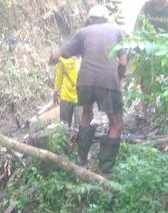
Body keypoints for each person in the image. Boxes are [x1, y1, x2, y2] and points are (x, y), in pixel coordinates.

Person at [49, 5, 128, 176]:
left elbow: (56, 55)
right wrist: (118, 78)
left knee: (87, 115)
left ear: (90, 19)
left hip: (84, 81)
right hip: (107, 80)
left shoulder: (83, 32)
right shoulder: (117, 30)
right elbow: (122, 62)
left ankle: (81, 161)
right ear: (106, 19)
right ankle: (105, 170)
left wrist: (50, 59)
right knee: (117, 124)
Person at [134, 0, 168, 115]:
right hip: (147, 46)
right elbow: (138, 23)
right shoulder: (147, 5)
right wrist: (137, 39)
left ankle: (163, 107)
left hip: (164, 47)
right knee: (145, 76)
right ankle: (146, 103)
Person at [53, 55, 82, 127]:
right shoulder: (63, 59)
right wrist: (56, 92)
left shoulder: (85, 58)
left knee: (79, 127)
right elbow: (59, 76)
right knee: (64, 126)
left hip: (80, 98)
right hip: (66, 97)